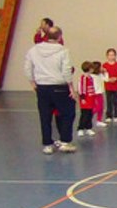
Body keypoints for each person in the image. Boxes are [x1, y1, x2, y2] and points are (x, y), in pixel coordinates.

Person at [23, 26, 77, 154]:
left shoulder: (33, 50)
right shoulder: (63, 51)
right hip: (60, 86)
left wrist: (32, 82)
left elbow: (27, 67)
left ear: (46, 36)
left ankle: (47, 144)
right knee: (67, 114)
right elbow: (66, 70)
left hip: (42, 87)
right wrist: (71, 87)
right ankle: (65, 141)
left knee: (45, 116)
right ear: (60, 37)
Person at [102, 48, 117, 122]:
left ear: (115, 56)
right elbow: (103, 76)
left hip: (116, 86)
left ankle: (116, 115)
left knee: (116, 101)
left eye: (113, 55)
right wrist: (109, 79)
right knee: (109, 101)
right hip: (108, 86)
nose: (111, 56)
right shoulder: (104, 65)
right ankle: (108, 115)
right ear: (107, 56)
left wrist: (116, 78)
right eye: (110, 55)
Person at [76, 62, 98, 138]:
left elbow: (92, 87)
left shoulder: (90, 78)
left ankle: (88, 127)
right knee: (84, 114)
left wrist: (94, 97)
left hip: (91, 98)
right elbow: (81, 88)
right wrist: (82, 98)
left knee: (90, 114)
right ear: (89, 69)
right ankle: (80, 128)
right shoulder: (83, 78)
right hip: (85, 99)